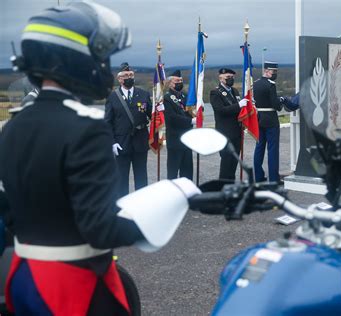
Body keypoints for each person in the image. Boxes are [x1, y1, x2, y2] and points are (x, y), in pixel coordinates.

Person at [0, 2, 146, 314]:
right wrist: (151, 222)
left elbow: (9, 211)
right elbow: (100, 229)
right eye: (101, 57)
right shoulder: (86, 127)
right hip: (73, 285)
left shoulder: (13, 126)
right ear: (74, 59)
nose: (105, 66)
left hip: (24, 277)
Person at [105, 62, 152, 197]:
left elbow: (152, 115)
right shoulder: (113, 97)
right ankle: (122, 207)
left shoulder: (143, 94)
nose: (129, 77)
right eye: (126, 75)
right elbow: (107, 122)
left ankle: (141, 204)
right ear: (119, 79)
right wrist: (112, 142)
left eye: (131, 74)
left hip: (140, 141)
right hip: (121, 143)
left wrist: (159, 108)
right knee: (121, 179)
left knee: (141, 177)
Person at [210, 68, 248, 180]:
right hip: (225, 133)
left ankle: (231, 185)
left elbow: (239, 111)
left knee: (234, 162)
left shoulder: (235, 91)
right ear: (220, 78)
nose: (230, 79)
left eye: (232, 77)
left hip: (237, 132)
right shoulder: (215, 93)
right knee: (226, 162)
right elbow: (221, 111)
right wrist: (239, 106)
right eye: (228, 77)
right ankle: (223, 186)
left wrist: (247, 107)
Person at [253, 61, 285, 183]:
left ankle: (259, 177)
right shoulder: (271, 85)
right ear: (266, 71)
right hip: (270, 119)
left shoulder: (255, 84)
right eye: (273, 71)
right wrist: (281, 101)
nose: (275, 74)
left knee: (259, 147)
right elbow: (276, 105)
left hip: (259, 118)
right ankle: (273, 179)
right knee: (272, 150)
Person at [163, 70, 195, 180]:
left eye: (181, 80)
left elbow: (190, 110)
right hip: (175, 140)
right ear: (170, 83)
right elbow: (172, 118)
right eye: (177, 81)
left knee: (187, 171)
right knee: (173, 172)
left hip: (187, 139)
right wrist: (190, 121)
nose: (179, 83)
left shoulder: (185, 96)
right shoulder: (166, 98)